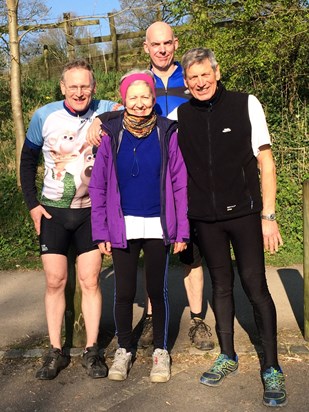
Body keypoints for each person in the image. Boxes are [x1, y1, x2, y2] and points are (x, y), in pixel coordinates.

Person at [86, 21, 213, 352]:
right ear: (146, 47)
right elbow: (115, 112)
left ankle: (198, 319)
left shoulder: (190, 78)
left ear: (175, 43)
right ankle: (155, 321)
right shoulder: (139, 84)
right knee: (152, 268)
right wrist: (99, 121)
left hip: (190, 178)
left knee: (192, 255)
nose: (161, 49)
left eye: (167, 43)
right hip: (155, 184)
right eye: (155, 44)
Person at [177, 47, 286, 407]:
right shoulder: (182, 114)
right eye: (192, 78)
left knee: (255, 286)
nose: (200, 82)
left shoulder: (246, 103)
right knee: (220, 286)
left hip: (244, 213)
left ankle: (271, 367)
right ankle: (227, 355)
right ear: (186, 82)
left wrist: (268, 217)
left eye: (205, 74)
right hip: (206, 218)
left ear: (217, 72)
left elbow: (265, 163)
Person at [20, 58, 121, 380]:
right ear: (62, 87)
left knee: (90, 281)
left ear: (93, 87)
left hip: (90, 212)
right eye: (73, 86)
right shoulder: (44, 116)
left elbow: (134, 102)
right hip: (53, 212)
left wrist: (101, 118)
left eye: (85, 86)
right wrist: (33, 205)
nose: (79, 92)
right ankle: (55, 351)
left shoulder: (104, 106)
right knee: (55, 282)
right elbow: (27, 159)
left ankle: (92, 351)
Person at [88, 69, 189, 382]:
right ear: (124, 100)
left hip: (159, 225)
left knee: (157, 291)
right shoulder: (111, 133)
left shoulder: (166, 131)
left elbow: (179, 182)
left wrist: (181, 229)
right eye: (134, 97)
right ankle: (124, 349)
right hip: (122, 225)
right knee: (124, 291)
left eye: (146, 96)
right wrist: (101, 230)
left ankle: (160, 351)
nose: (141, 102)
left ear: (153, 98)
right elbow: (99, 186)